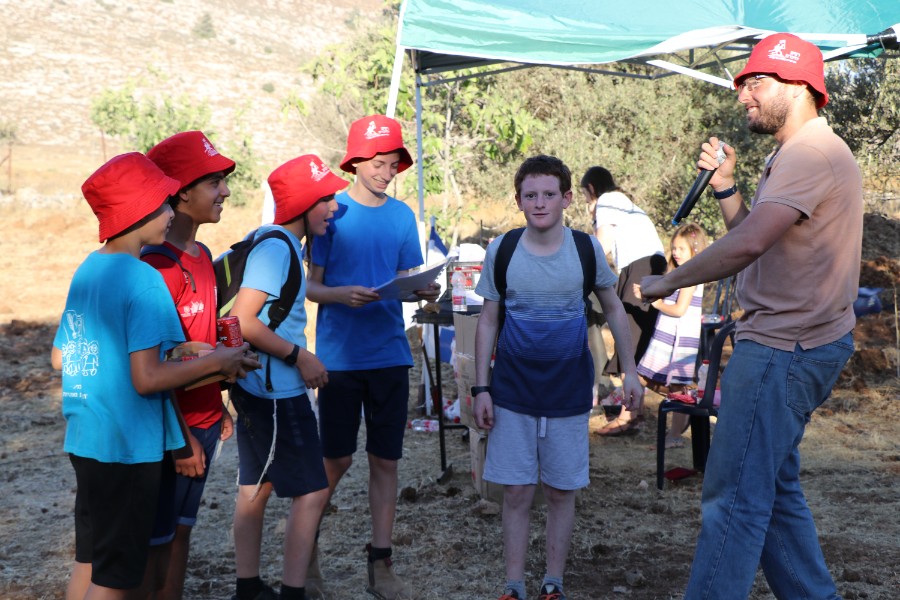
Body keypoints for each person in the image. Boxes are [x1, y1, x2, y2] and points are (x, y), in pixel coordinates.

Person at [640, 33, 861, 599]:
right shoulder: (798, 153)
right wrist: (725, 186)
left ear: (800, 86)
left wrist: (667, 280)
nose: (743, 96)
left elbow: (746, 247)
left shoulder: (810, 153)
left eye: (755, 83)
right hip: (796, 346)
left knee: (733, 501)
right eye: (741, 85)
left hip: (781, 350)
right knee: (773, 494)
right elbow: (753, 236)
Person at [52, 152, 258, 600]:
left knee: (91, 560)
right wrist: (218, 362)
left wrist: (181, 353)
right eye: (164, 205)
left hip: (86, 442)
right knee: (118, 580)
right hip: (127, 451)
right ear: (139, 213)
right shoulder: (143, 279)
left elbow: (60, 356)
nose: (170, 214)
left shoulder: (89, 268)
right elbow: (147, 378)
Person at [472, 155, 643, 600]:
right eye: (531, 195)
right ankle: (513, 585)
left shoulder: (585, 250)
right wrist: (480, 387)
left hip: (568, 392)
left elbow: (614, 308)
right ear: (519, 200)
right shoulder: (502, 250)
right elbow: (488, 321)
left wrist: (630, 372)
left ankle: (553, 583)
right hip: (511, 391)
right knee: (516, 492)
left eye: (550, 194)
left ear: (567, 198)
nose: (540, 203)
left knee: (562, 491)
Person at [305, 114, 440, 600]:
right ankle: (306, 551)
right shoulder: (329, 213)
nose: (387, 172)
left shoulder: (403, 216)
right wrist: (341, 295)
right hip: (339, 360)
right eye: (380, 163)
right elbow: (310, 284)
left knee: (386, 461)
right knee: (334, 459)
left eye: (394, 165)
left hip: (390, 354)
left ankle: (381, 566)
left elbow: (406, 279)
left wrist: (425, 291)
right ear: (356, 162)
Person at [228, 154, 348, 600]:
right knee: (313, 491)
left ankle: (248, 588)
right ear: (302, 203)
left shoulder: (275, 243)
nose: (333, 208)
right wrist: (301, 357)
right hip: (278, 390)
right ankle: (292, 592)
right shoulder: (278, 247)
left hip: (259, 386)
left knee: (254, 488)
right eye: (325, 200)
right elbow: (244, 320)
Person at [138, 130, 237, 600]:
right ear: (180, 192)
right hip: (168, 431)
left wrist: (219, 402)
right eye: (214, 182)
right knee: (154, 543)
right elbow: (155, 366)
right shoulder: (155, 266)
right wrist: (179, 441)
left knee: (181, 531)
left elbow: (196, 344)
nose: (225, 192)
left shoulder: (203, 257)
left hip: (202, 421)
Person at [581, 167, 666, 436]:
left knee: (628, 338)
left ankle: (628, 416)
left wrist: (573, 265)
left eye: (585, 197)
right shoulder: (624, 203)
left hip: (639, 268)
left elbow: (601, 244)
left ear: (592, 189)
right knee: (632, 336)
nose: (587, 204)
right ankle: (634, 413)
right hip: (645, 266)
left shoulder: (608, 201)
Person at [633, 222, 709, 449]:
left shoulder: (691, 277)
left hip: (678, 340)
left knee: (674, 387)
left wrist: (655, 304)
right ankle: (678, 416)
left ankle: (675, 432)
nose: (675, 253)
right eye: (674, 247)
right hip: (666, 337)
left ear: (694, 251)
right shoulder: (678, 274)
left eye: (681, 249)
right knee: (646, 377)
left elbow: (679, 310)